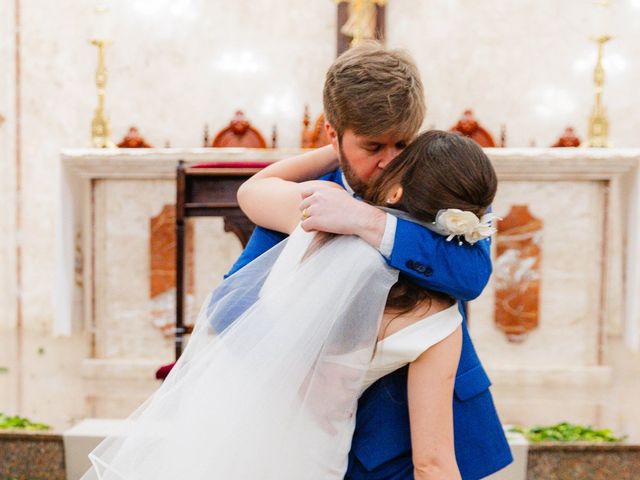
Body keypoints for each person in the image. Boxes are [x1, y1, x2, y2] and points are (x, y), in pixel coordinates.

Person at [82, 130, 501, 480]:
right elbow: (433, 463)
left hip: (239, 431)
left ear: (395, 189)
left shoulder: (315, 219)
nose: (385, 159)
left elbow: (254, 189)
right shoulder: (438, 321)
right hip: (317, 452)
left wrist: (337, 148)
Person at [227, 42, 513, 479]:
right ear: (332, 133)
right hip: (323, 432)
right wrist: (306, 379)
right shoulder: (311, 197)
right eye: (373, 145)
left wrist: (369, 222)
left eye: (403, 143)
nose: (390, 162)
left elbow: (471, 275)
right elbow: (229, 308)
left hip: (439, 430)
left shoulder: (445, 185)